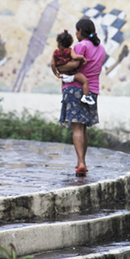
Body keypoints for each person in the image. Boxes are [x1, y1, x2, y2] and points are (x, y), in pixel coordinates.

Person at [54, 18, 106, 176]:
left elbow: (74, 65)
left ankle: (81, 163)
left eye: (76, 31)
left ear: (80, 31)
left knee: (76, 127)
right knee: (83, 128)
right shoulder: (101, 49)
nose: (75, 34)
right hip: (92, 90)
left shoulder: (80, 46)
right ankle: (81, 162)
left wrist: (57, 66)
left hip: (75, 89)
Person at [51, 30, 95, 105]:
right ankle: (85, 96)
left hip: (64, 75)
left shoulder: (55, 53)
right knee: (85, 81)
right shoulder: (70, 50)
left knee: (63, 85)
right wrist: (81, 57)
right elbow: (74, 57)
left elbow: (52, 64)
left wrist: (56, 73)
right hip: (73, 74)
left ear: (59, 43)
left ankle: (63, 97)